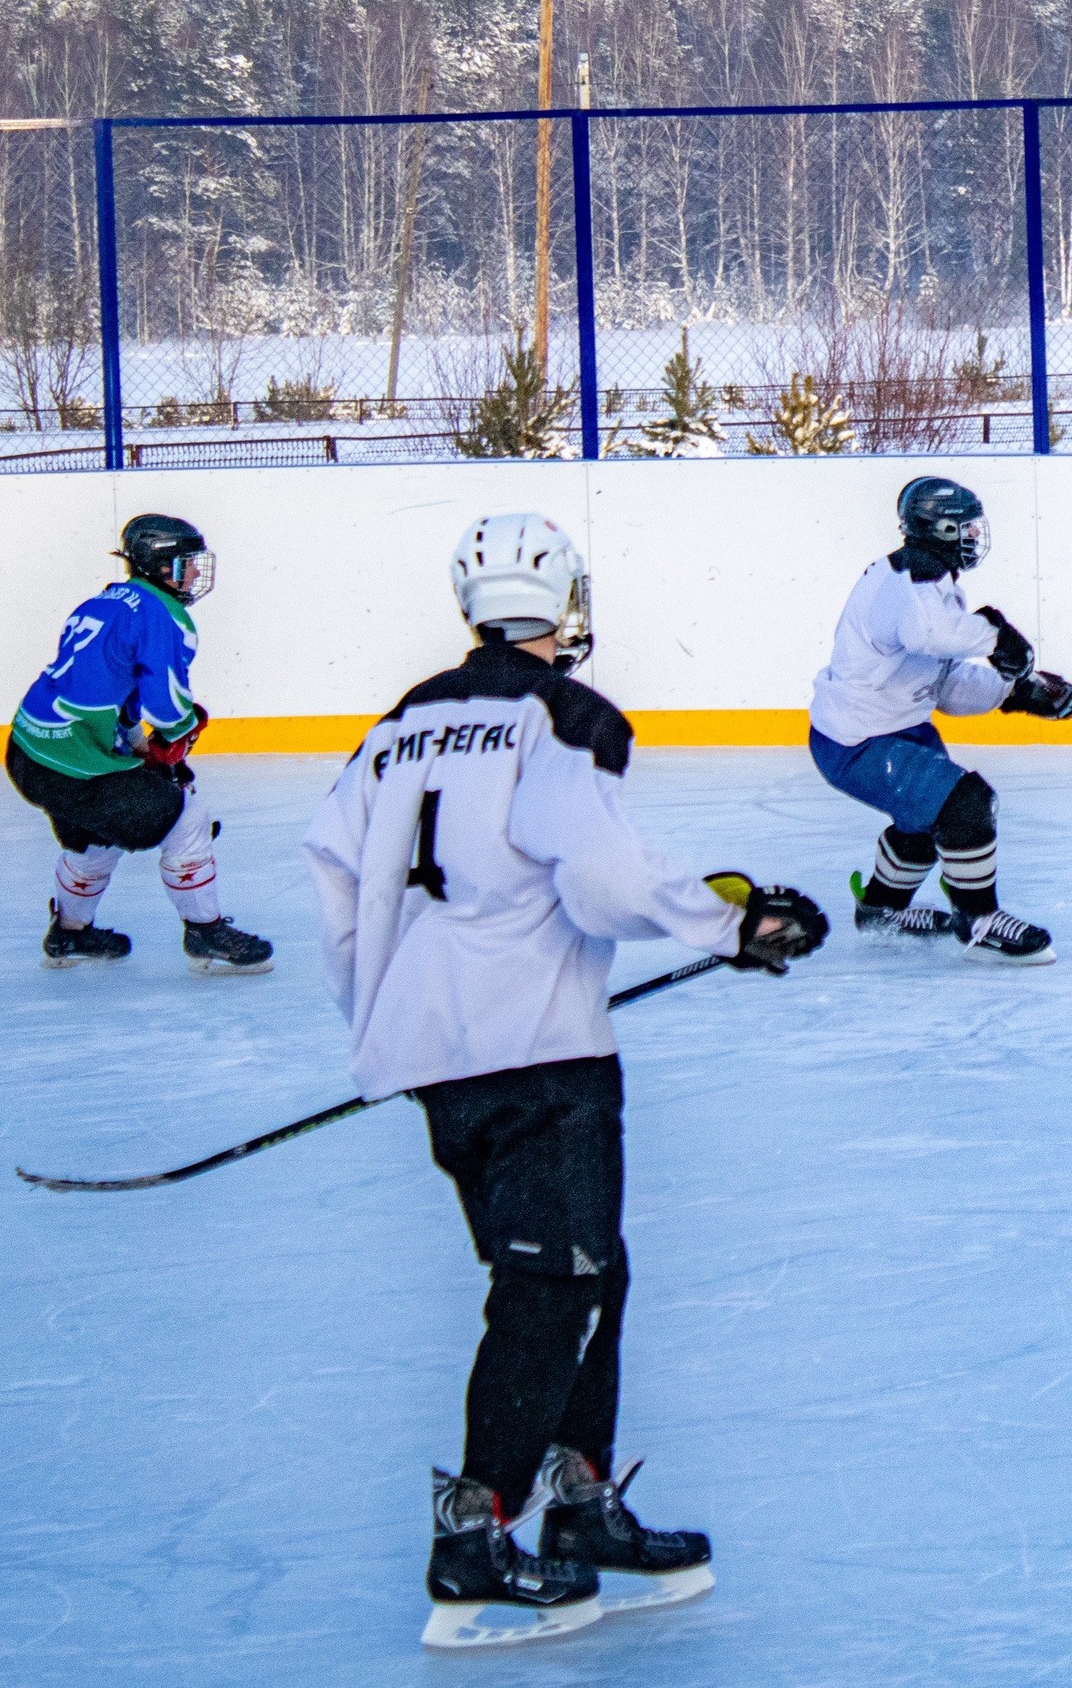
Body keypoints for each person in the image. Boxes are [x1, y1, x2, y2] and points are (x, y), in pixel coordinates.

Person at [302, 512, 829, 1651]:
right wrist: (737, 924)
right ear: (568, 605)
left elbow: (337, 876)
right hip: (539, 1055)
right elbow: (600, 879)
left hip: (443, 1060)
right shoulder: (564, 716)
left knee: (590, 1272)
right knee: (553, 1286)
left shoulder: (401, 723)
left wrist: (384, 1021)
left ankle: (579, 1500)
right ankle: (476, 1534)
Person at [806, 475, 1072, 964]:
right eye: (967, 528)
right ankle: (978, 922)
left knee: (924, 824)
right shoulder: (909, 579)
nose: (976, 538)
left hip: (897, 728)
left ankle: (880, 911)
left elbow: (948, 686)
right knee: (966, 806)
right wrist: (996, 636)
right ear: (940, 529)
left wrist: (1017, 693)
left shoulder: (934, 583)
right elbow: (929, 634)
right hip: (858, 740)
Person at [7, 513, 272, 972]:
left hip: (28, 753)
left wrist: (138, 749)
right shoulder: (162, 614)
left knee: (95, 837)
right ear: (160, 564)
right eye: (186, 562)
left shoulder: (104, 602)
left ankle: (70, 936)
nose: (194, 573)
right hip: (78, 767)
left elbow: (115, 694)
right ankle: (205, 932)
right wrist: (179, 733)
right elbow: (166, 706)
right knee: (186, 818)